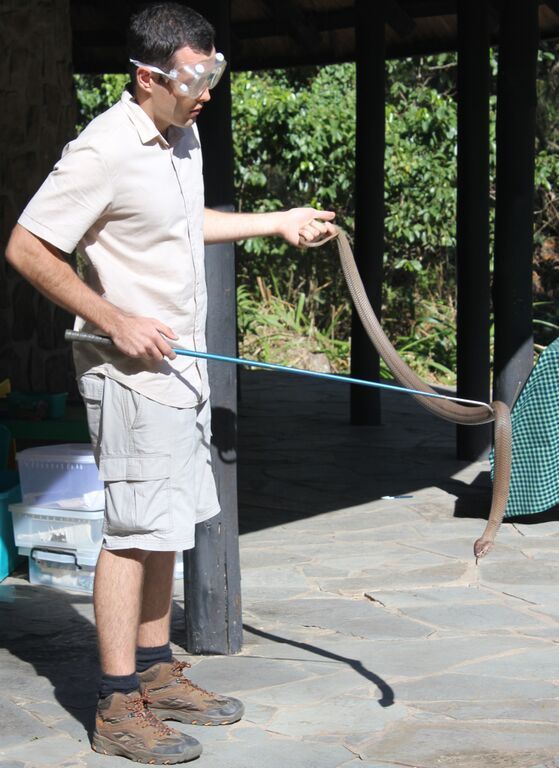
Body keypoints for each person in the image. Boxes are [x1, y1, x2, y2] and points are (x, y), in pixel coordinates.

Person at [5, 3, 336, 764]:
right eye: (194, 78)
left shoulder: (180, 136)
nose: (206, 92)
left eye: (213, 73)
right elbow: (26, 246)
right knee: (132, 535)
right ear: (146, 76)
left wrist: (275, 221)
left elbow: (184, 223)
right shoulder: (103, 149)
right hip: (130, 374)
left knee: (168, 527)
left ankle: (155, 672)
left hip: (183, 367)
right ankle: (117, 704)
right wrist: (113, 317)